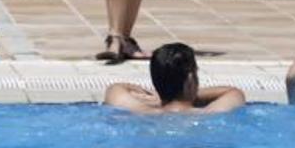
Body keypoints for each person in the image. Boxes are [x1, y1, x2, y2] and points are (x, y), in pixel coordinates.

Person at [104, 42, 245, 115]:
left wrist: (161, 96)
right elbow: (234, 92)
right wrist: (191, 95)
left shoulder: (142, 111)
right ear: (191, 80)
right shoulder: (208, 114)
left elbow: (115, 88)